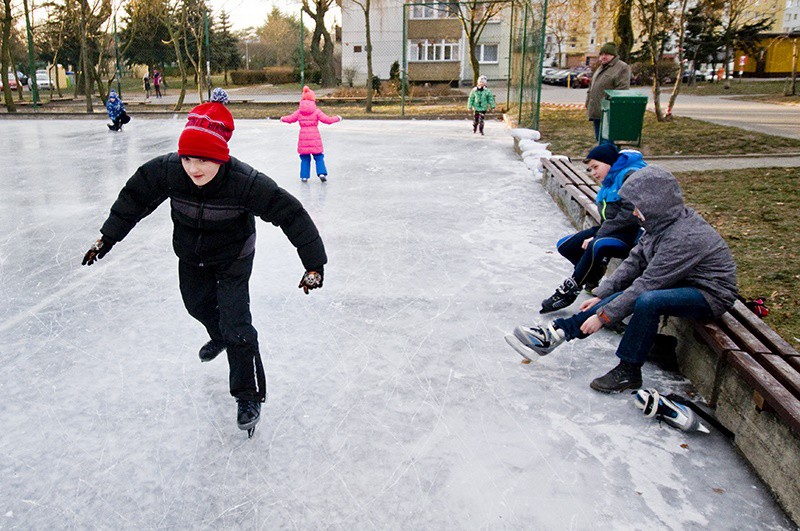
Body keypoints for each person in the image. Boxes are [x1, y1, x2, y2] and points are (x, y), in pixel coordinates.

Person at [81, 88, 327, 436]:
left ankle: (248, 395)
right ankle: (219, 334)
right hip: (191, 255)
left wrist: (313, 263)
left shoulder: (244, 183)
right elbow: (134, 199)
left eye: (203, 160)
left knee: (237, 326)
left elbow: (290, 214)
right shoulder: (169, 171)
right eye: (187, 159)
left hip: (233, 258)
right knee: (196, 305)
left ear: (221, 158)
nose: (193, 168)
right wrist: (107, 238)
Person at [505, 166, 738, 393]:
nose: (634, 213)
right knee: (630, 297)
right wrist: (602, 295)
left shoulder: (684, 237)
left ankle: (629, 371)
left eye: (638, 207)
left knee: (648, 300)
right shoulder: (661, 224)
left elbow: (649, 283)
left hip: (710, 294)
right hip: (684, 281)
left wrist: (604, 317)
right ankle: (558, 334)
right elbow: (635, 261)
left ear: (654, 204)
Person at [540, 143, 646, 313]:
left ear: (610, 162)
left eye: (596, 167)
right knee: (566, 245)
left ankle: (569, 291)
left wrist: (599, 235)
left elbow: (629, 216)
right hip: (612, 229)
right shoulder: (610, 178)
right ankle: (593, 277)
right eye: (590, 169)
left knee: (596, 244)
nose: (593, 173)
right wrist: (600, 232)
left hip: (632, 234)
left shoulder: (628, 176)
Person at [280, 85, 341, 183]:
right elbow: (327, 120)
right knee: (319, 157)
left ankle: (304, 176)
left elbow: (290, 118)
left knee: (305, 158)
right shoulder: (316, 111)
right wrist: (337, 118)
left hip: (303, 138)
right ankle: (321, 173)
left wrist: (282, 118)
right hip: (315, 137)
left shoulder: (299, 112)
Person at [585, 42, 631, 141]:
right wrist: (588, 102)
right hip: (596, 111)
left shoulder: (622, 67)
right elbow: (592, 86)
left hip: (609, 113)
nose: (603, 57)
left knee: (607, 142)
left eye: (607, 54)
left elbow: (622, 90)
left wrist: (607, 103)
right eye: (602, 54)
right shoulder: (601, 67)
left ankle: (610, 156)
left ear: (613, 55)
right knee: (600, 139)